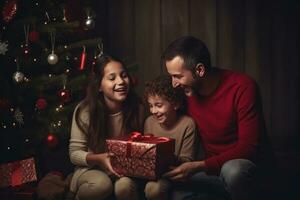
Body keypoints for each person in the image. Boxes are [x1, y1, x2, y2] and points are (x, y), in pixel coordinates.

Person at [161, 36, 274, 200]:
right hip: (212, 173)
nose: (174, 84)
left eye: (178, 76)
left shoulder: (242, 87)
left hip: (246, 171)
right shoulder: (186, 93)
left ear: (200, 70)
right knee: (175, 190)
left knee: (233, 171)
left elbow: (249, 148)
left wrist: (199, 166)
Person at [68, 54, 144, 200]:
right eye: (112, 78)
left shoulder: (137, 107)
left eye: (124, 75)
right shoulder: (85, 111)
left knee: (125, 187)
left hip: (124, 170)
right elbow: (75, 154)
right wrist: (100, 158)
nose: (121, 81)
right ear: (99, 86)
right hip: (92, 169)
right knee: (102, 185)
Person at [143, 75, 199, 200]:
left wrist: (165, 156)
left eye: (158, 105)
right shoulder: (149, 122)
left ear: (175, 104)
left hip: (173, 175)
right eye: (150, 105)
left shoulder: (187, 124)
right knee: (125, 185)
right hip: (149, 174)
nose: (153, 111)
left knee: (154, 189)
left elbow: (187, 160)